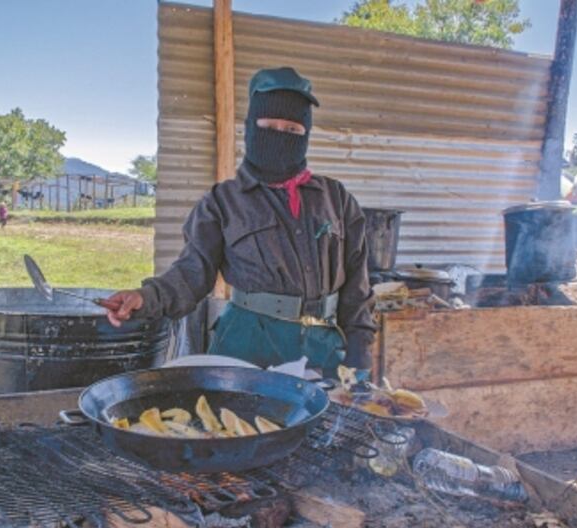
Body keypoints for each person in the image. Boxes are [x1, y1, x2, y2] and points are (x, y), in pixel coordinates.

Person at [104, 67, 376, 378]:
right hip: (246, 350)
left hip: (324, 354)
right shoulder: (223, 202)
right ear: (250, 128)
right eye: (268, 126)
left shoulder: (336, 198)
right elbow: (192, 273)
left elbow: (358, 288)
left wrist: (359, 357)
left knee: (328, 426)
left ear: (306, 135)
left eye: (292, 130)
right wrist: (145, 298)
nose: (279, 136)